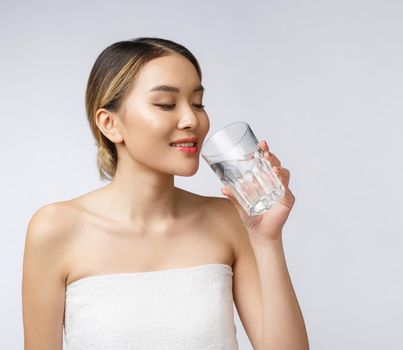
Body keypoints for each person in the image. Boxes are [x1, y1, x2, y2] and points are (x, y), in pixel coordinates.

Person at [22, 37, 309, 350]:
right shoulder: (56, 229)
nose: (192, 120)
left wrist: (268, 240)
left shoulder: (228, 220)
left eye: (198, 103)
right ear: (110, 123)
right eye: (166, 104)